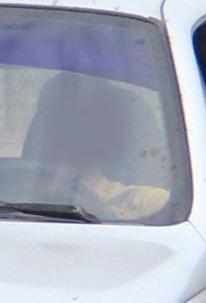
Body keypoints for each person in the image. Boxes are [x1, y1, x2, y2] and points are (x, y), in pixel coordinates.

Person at [23, 71, 171, 219]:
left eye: (85, 119)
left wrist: (121, 220)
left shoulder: (148, 201)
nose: (72, 131)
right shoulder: (15, 196)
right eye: (57, 120)